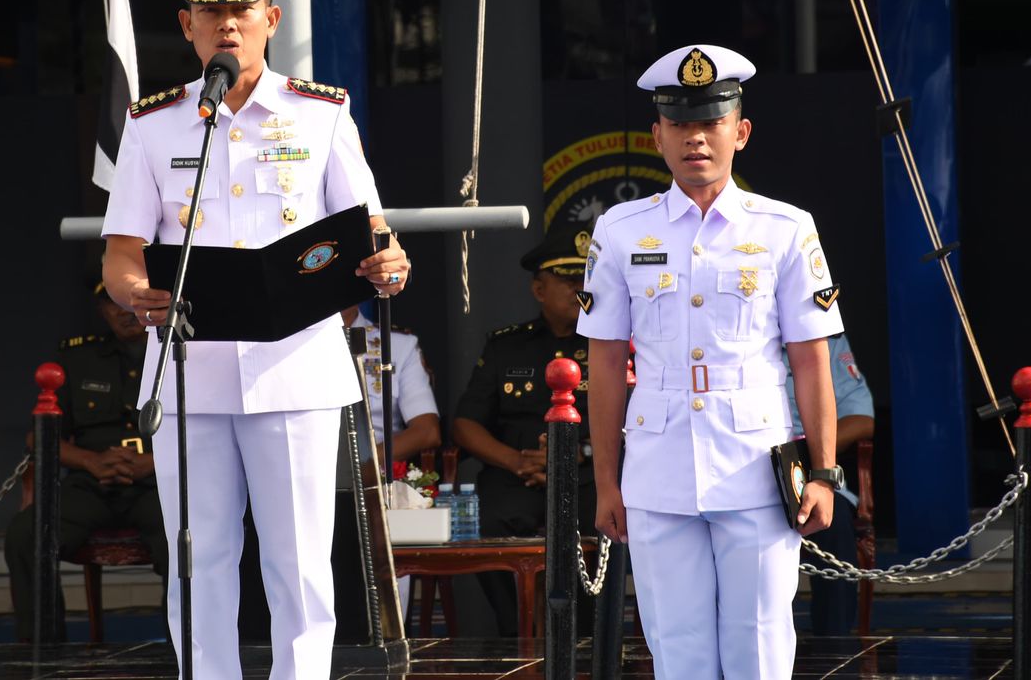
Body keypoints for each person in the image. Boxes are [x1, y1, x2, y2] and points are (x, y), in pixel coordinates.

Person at [101, 0, 410, 680]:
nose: (227, 25)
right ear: (187, 25)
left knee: (299, 559)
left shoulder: (320, 114)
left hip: (295, 368)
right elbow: (121, 253)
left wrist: (389, 262)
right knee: (199, 557)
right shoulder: (152, 125)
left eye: (241, 9)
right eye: (210, 12)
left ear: (271, 19)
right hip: (190, 371)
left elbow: (371, 230)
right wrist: (136, 293)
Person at [578, 43, 842, 680]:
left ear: (740, 132)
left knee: (760, 647)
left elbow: (812, 362)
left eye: (711, 122)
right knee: (677, 649)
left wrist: (824, 473)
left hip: (756, 468)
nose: (695, 137)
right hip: (658, 470)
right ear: (658, 136)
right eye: (679, 123)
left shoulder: (784, 228)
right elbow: (605, 364)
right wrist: (607, 481)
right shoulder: (620, 229)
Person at [451, 225, 596, 637]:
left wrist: (580, 454)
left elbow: (631, 423)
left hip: (587, 476)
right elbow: (465, 425)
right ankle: (517, 632)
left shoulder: (610, 346)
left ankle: (585, 636)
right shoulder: (506, 346)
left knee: (603, 523)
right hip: (517, 477)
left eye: (584, 278)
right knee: (487, 520)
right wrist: (516, 461)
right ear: (538, 290)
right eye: (567, 280)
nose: (579, 288)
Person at [4, 282, 167, 641]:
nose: (124, 311)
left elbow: (207, 433)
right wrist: (91, 461)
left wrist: (154, 462)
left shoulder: (177, 355)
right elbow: (39, 437)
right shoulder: (78, 358)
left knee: (188, 540)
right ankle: (42, 650)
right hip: (93, 483)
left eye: (133, 301)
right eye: (114, 302)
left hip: (158, 483)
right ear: (102, 310)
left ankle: (185, 653)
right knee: (25, 534)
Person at [786, 331, 875, 636]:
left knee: (833, 524)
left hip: (809, 473)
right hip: (741, 472)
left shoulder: (826, 338)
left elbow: (861, 419)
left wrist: (808, 451)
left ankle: (835, 645)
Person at [357, 303, 441, 462]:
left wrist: (361, 467)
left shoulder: (397, 345)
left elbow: (427, 431)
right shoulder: (302, 345)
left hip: (375, 469)